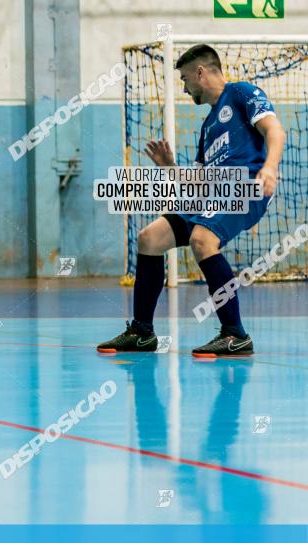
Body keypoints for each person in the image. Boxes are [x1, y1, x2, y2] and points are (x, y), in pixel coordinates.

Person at [98, 44, 286, 357]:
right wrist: (170, 168)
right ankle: (142, 332)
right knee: (149, 238)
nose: (184, 88)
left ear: (201, 72)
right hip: (211, 195)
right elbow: (198, 185)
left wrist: (269, 168)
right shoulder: (207, 126)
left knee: (202, 240)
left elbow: (275, 131)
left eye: (185, 79)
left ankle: (235, 334)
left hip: (245, 187)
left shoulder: (241, 93)